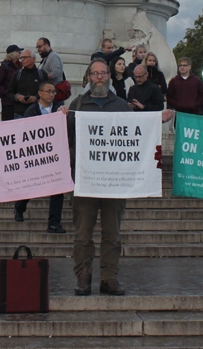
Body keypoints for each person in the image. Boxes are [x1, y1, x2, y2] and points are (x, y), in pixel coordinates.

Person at [67, 59, 174, 296]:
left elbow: (139, 132)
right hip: (85, 182)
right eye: (95, 74)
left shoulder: (122, 106)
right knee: (82, 235)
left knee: (112, 234)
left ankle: (109, 277)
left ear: (109, 76)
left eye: (103, 73)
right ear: (89, 78)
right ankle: (83, 277)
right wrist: (59, 115)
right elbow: (63, 137)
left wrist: (158, 120)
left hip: (115, 182)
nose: (100, 77)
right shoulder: (77, 105)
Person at [14, 81, 67, 232]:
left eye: (54, 92)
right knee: (32, 185)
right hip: (37, 154)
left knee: (58, 188)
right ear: (40, 93)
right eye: (49, 91)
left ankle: (54, 222)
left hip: (55, 154)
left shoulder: (59, 109)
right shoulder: (31, 110)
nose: (52, 94)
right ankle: (20, 207)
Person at [0, 45, 22, 122]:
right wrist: (8, 93)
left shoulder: (20, 66)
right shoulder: (5, 66)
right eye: (18, 52)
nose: (20, 54)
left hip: (20, 102)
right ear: (13, 53)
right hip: (8, 103)